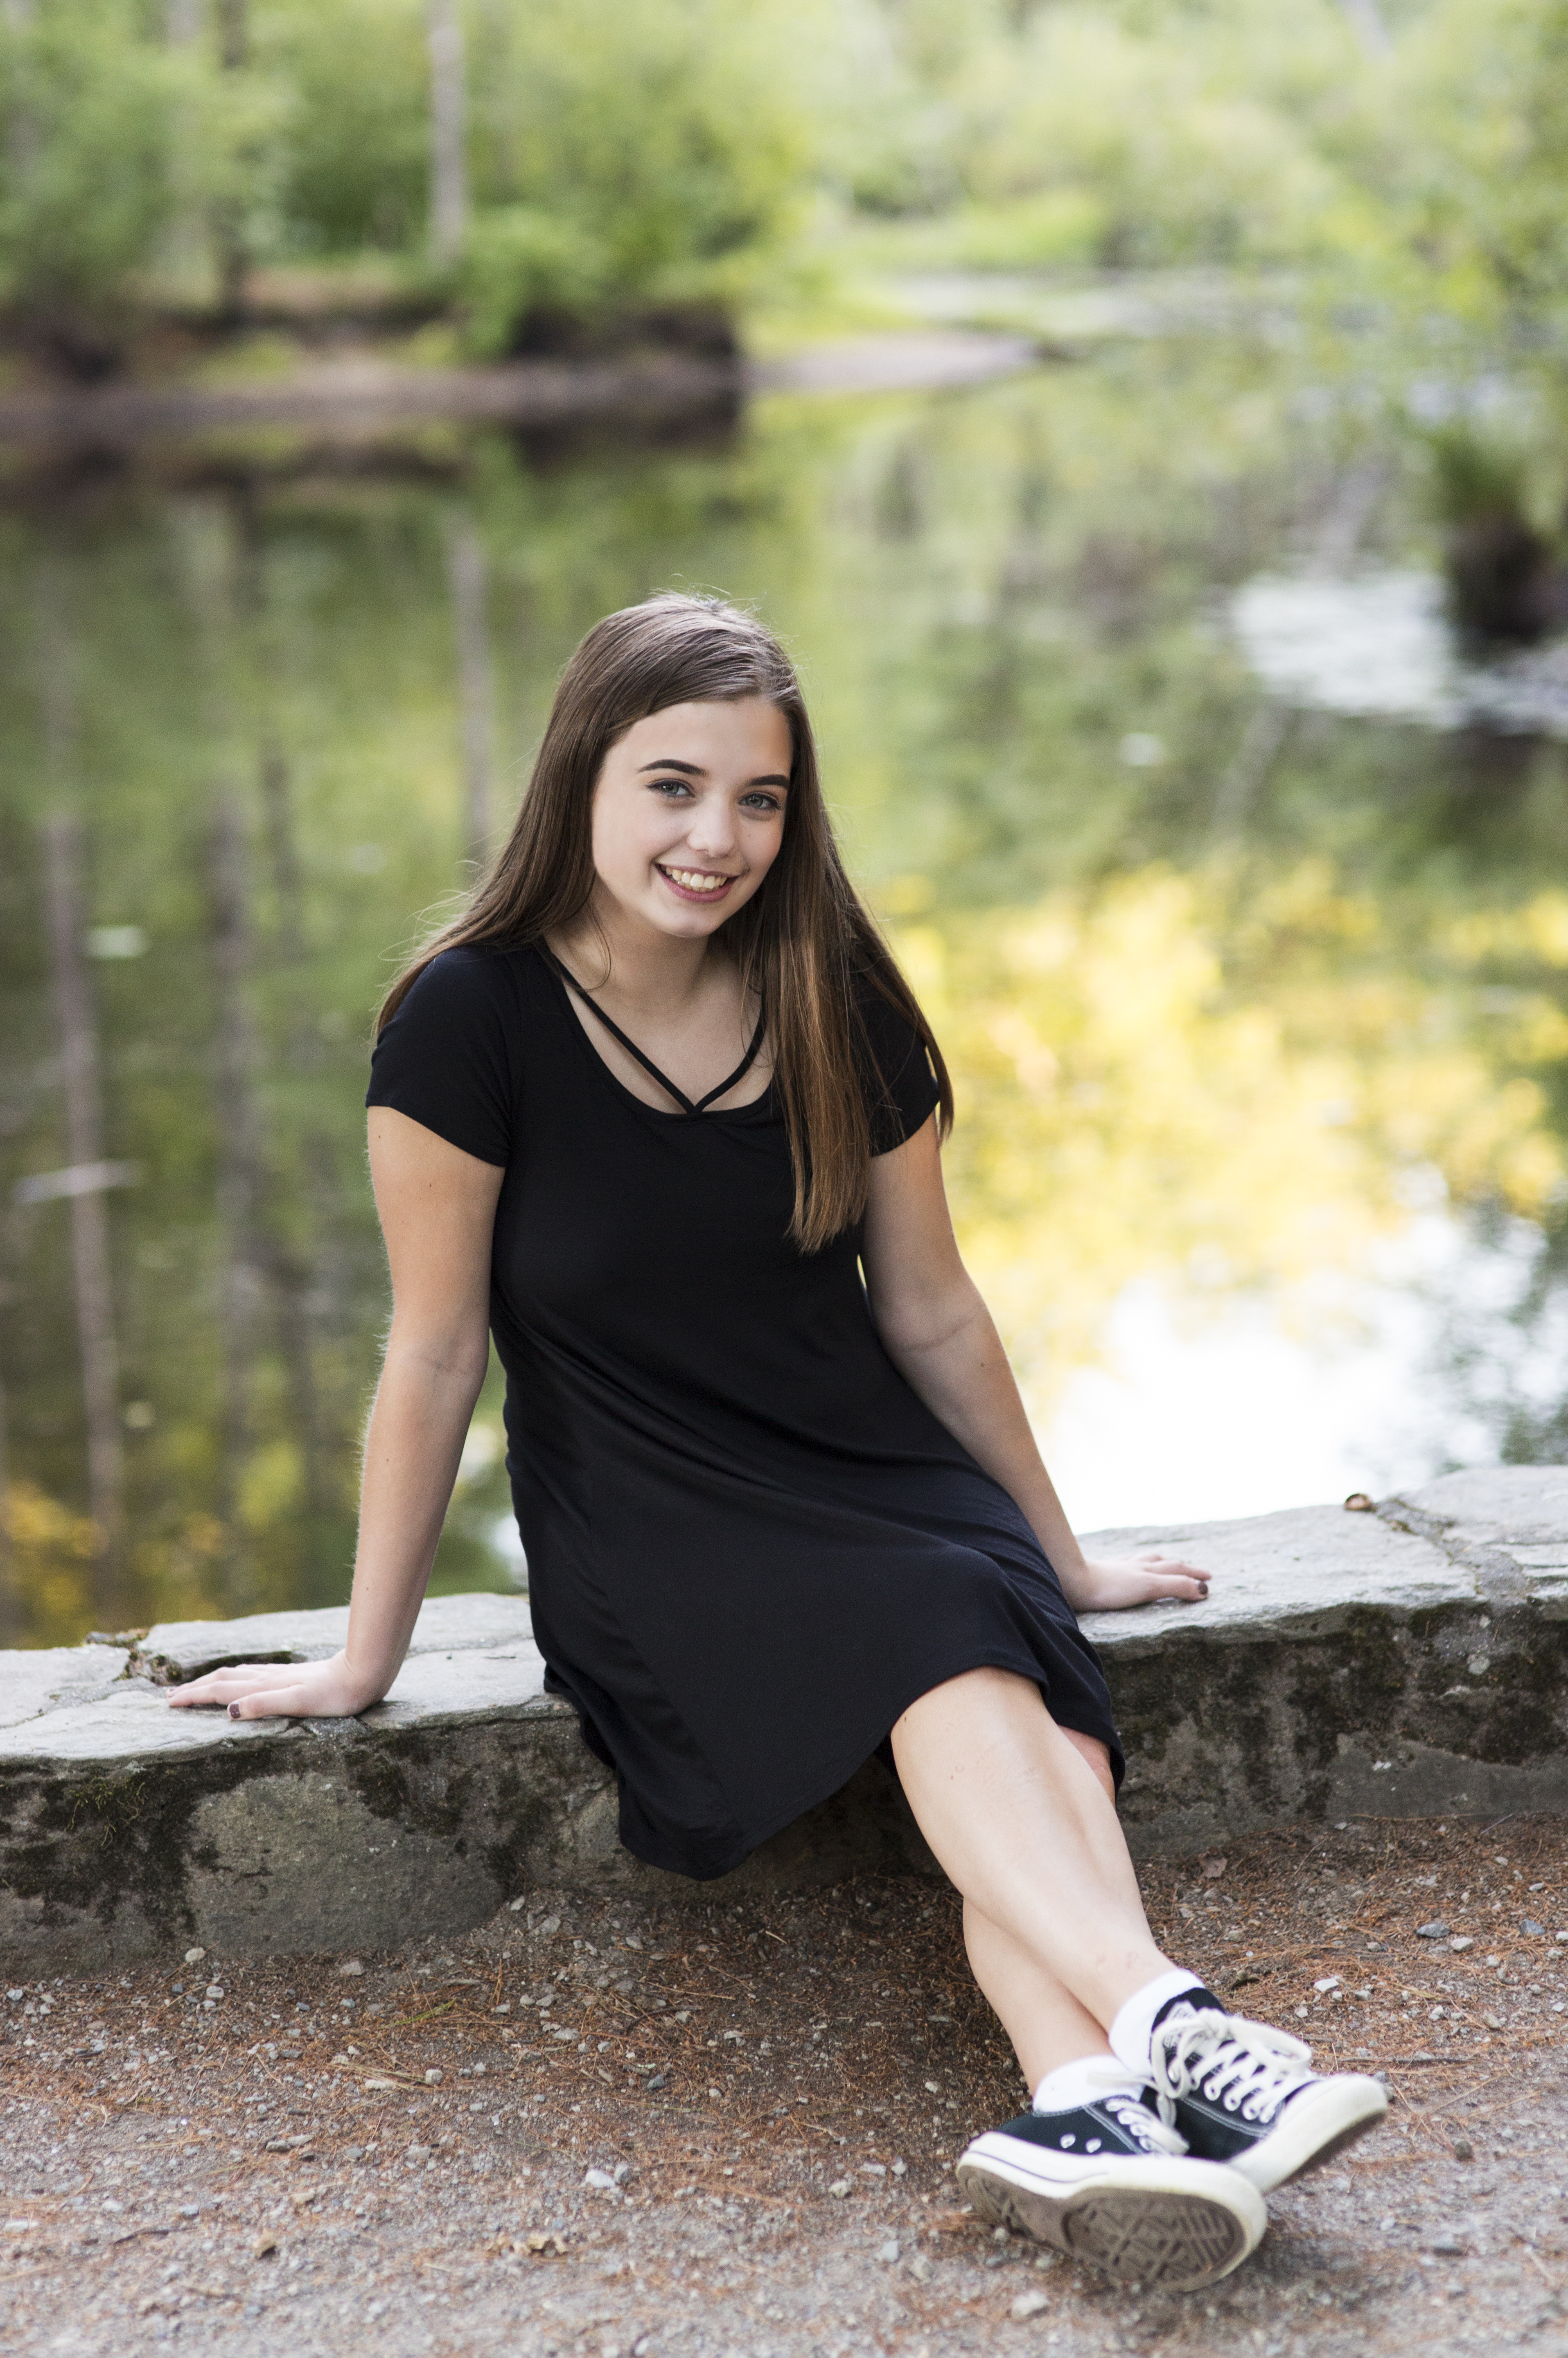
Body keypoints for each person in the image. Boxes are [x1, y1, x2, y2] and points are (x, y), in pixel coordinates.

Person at [170, 592, 1385, 2291]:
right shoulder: (466, 1020)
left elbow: (936, 1313)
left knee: (1018, 1684)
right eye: (673, 786)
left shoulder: (836, 990)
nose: (717, 837)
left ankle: (1085, 2100)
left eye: (759, 799)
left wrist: (1062, 1551)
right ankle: (1177, 2019)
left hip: (878, 1475)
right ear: (580, 776)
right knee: (957, 1651)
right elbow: (436, 1350)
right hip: (652, 1517)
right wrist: (363, 1658)